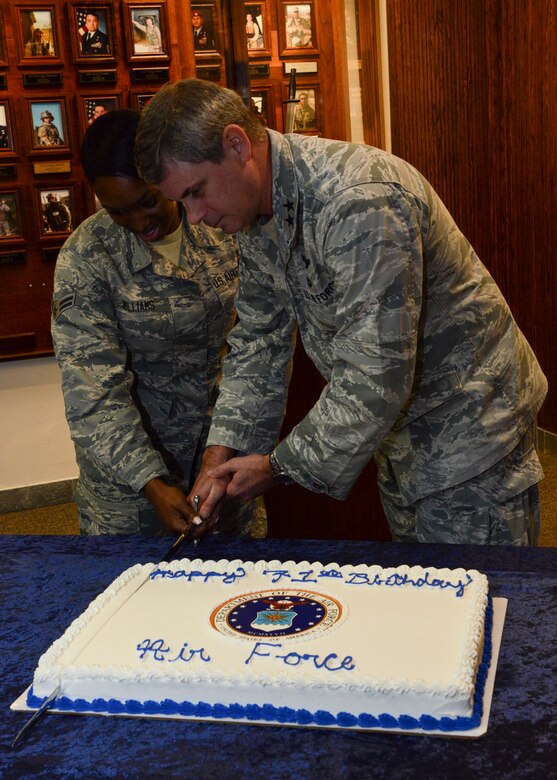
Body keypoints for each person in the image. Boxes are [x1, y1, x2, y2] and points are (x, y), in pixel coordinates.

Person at [135, 78, 548, 546]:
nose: (192, 217)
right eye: (181, 200)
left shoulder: (359, 199)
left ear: (237, 144)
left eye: (196, 191)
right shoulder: (250, 211)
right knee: (425, 592)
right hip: (404, 438)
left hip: (471, 431)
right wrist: (218, 453)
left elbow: (376, 374)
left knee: (479, 602)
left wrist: (278, 467)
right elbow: (258, 340)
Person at [51, 109, 265, 539]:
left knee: (235, 595)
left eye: (148, 200)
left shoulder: (221, 224)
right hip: (131, 489)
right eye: (118, 212)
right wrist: (151, 482)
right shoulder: (87, 259)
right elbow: (92, 391)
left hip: (222, 468)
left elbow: (256, 343)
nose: (138, 223)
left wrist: (227, 449)